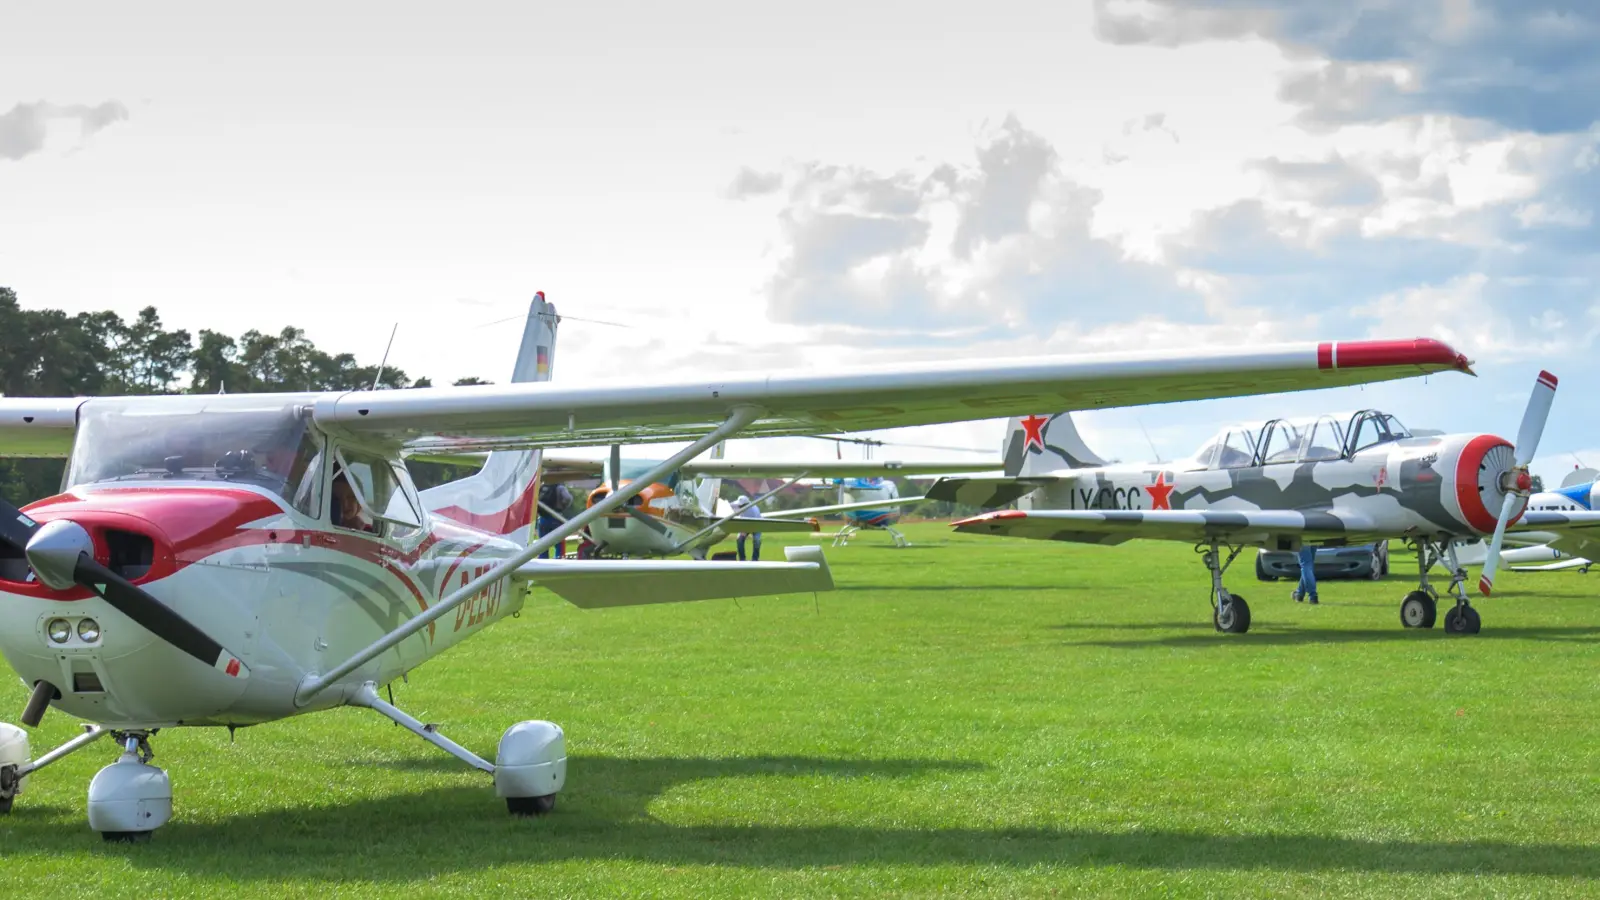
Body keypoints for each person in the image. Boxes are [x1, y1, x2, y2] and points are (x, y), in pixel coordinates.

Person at [537, 480, 573, 559]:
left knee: (543, 544)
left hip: (543, 518)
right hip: (556, 517)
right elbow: (568, 498)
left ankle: (543, 561)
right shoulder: (560, 487)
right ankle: (558, 559)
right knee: (559, 543)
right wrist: (563, 506)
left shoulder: (543, 487)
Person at [733, 494, 762, 561]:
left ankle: (755, 559)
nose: (740, 506)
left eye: (742, 505)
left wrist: (744, 530)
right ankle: (742, 559)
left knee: (756, 541)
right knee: (739, 540)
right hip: (745, 524)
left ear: (747, 504)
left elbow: (754, 525)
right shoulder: (739, 507)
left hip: (756, 524)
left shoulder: (753, 511)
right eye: (739, 505)